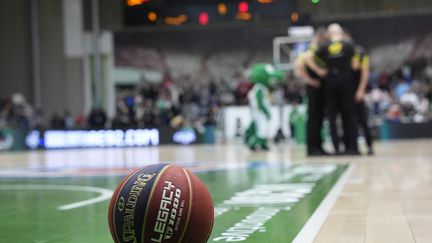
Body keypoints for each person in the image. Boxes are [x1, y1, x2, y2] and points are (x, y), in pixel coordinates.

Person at [306, 23, 360, 155]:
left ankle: (336, 148)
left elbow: (307, 57)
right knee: (349, 116)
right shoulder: (349, 45)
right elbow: (356, 65)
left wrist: (320, 71)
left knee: (332, 117)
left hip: (330, 83)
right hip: (346, 83)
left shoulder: (323, 46)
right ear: (341, 33)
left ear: (329, 34)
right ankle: (351, 147)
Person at [295, 28, 328, 156]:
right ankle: (313, 148)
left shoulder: (315, 49)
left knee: (318, 118)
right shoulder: (312, 49)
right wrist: (311, 78)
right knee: (314, 118)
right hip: (314, 87)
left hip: (317, 87)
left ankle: (318, 147)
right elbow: (299, 64)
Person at [245, 63, 283, 151]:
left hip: (261, 111)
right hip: (259, 112)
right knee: (261, 128)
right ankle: (254, 143)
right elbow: (259, 101)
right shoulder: (259, 88)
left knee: (266, 128)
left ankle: (263, 143)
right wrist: (265, 111)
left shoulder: (264, 88)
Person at [353, 45, 374, 155]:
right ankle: (353, 148)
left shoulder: (360, 53)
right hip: (347, 94)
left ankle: (369, 146)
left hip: (358, 94)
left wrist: (361, 90)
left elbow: (364, 72)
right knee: (351, 124)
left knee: (363, 121)